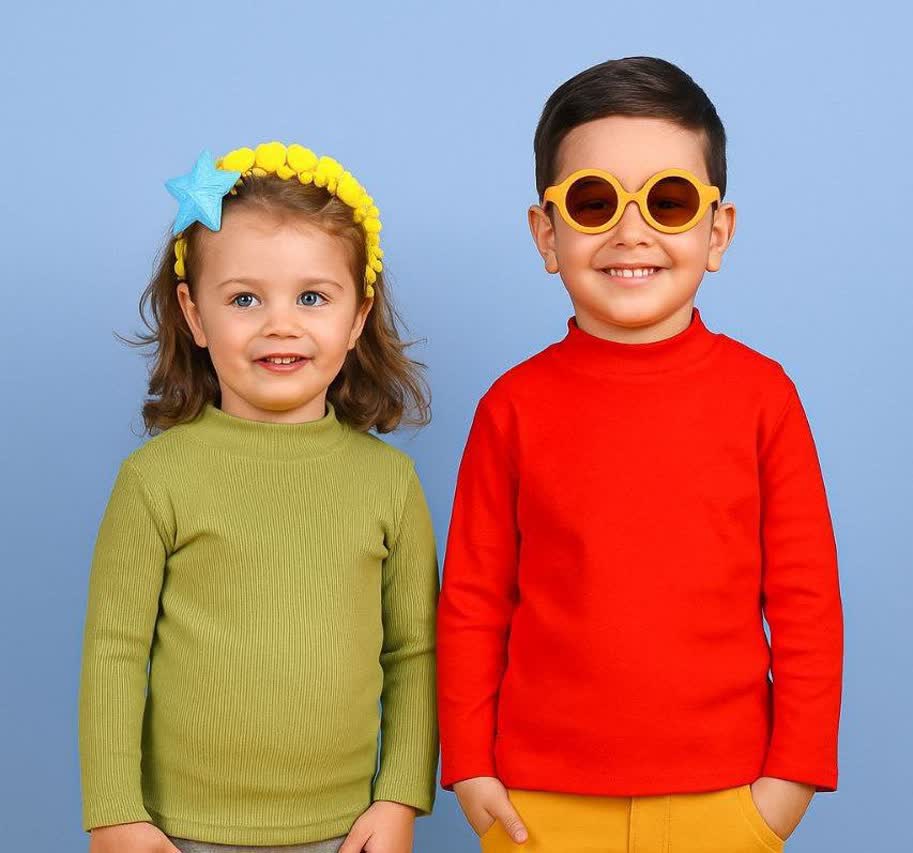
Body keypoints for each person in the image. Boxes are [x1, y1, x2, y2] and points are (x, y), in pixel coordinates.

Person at [437, 58, 843, 852]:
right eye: (593, 202)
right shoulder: (510, 406)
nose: (631, 232)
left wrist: (789, 780)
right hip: (537, 802)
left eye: (668, 200)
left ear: (715, 231)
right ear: (546, 234)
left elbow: (805, 601)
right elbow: (472, 603)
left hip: (725, 796)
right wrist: (470, 767)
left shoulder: (763, 396)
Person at [78, 142, 439, 853]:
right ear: (194, 314)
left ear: (357, 316)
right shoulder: (154, 479)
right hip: (179, 833)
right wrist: (114, 812)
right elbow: (114, 652)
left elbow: (416, 652)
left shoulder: (389, 483)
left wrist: (400, 796)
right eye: (245, 298)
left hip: (345, 832)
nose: (281, 324)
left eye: (312, 297)